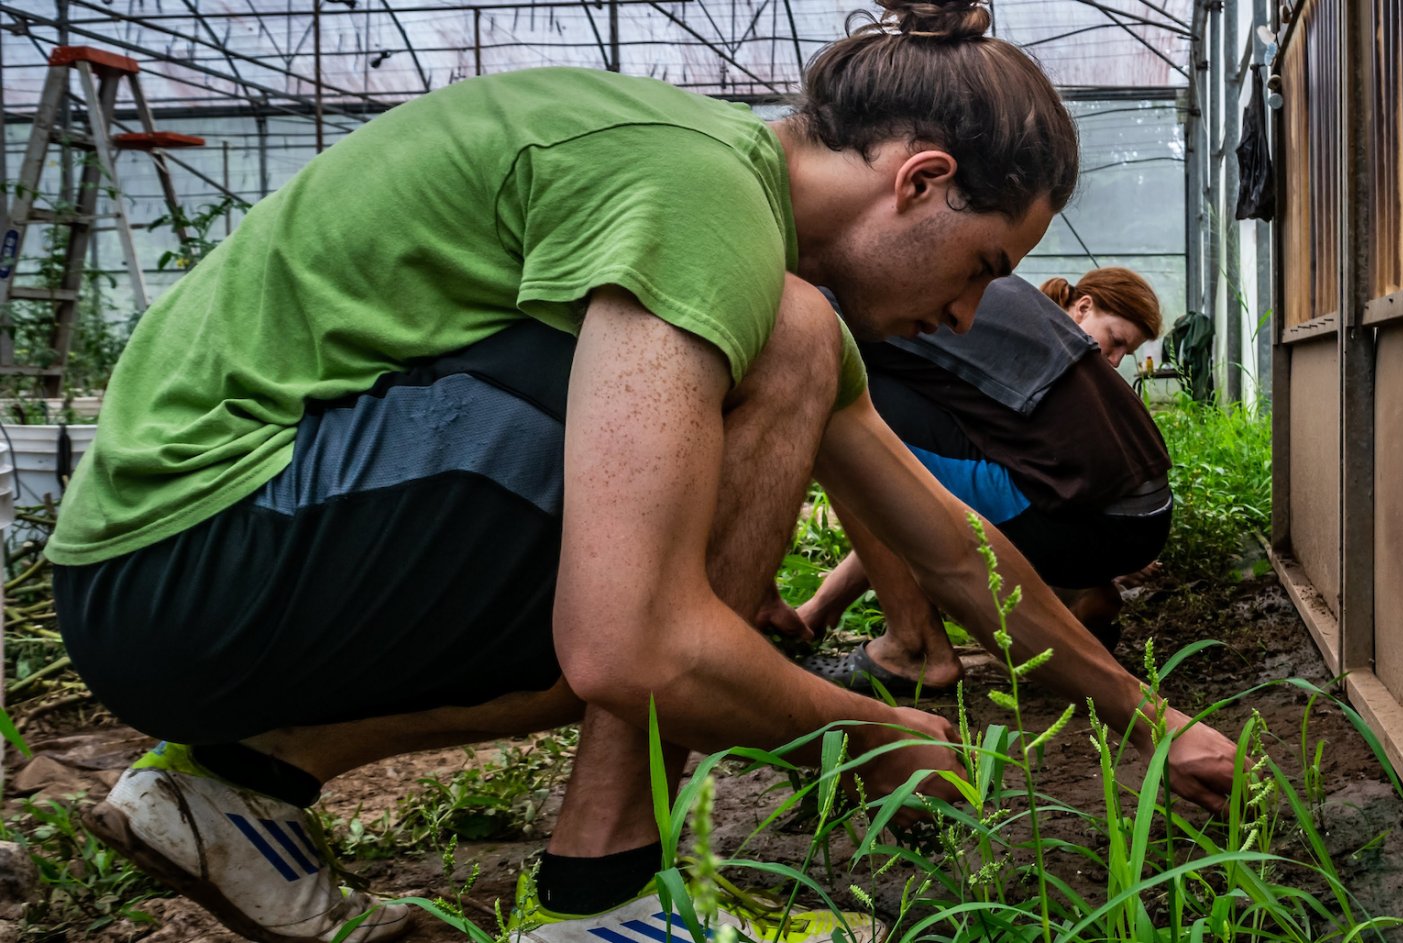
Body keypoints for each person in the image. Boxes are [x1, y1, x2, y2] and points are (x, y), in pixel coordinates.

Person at [47, 4, 1238, 942]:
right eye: (984, 262)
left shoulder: (713, 191)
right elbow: (632, 647)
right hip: (194, 554)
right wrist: (862, 730)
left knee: (699, 573)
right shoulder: (706, 194)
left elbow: (934, 532)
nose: (970, 312)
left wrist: (1153, 716)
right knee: (668, 593)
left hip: (189, 573)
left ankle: (240, 788)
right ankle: (604, 896)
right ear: (919, 181)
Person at [775, 269, 1170, 694]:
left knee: (842, 415)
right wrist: (821, 606)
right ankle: (1076, 596)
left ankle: (914, 646)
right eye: (1116, 342)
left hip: (1092, 520)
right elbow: (923, 487)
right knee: (890, 449)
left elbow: (895, 484)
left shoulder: (847, 293)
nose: (1113, 360)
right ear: (1083, 306)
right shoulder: (1007, 307)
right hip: (1130, 516)